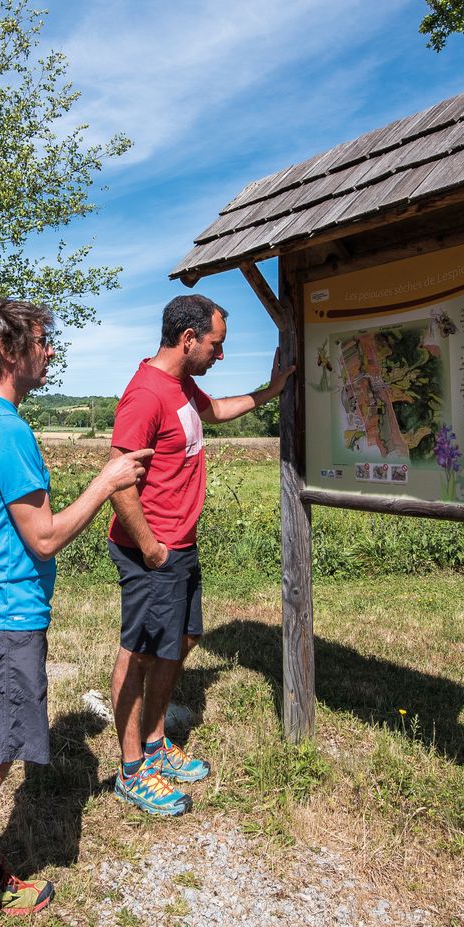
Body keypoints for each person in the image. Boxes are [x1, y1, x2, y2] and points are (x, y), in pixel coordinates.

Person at [0, 299, 152, 927]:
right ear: (8, 352)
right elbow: (48, 534)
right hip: (2, 618)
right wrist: (109, 480)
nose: (49, 353)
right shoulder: (3, 430)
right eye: (40, 342)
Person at [107, 293, 290, 815]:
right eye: (216, 345)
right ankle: (132, 770)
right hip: (152, 551)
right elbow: (118, 479)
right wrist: (150, 547)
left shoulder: (182, 385)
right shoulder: (145, 394)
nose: (220, 355)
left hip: (178, 545)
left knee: (182, 639)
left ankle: (156, 742)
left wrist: (271, 391)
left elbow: (220, 411)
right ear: (188, 340)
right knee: (140, 651)